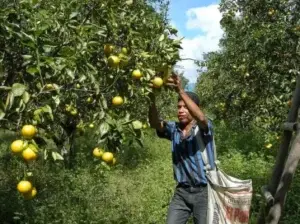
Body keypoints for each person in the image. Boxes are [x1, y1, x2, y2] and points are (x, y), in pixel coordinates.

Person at [148, 74, 215, 224]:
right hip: (182, 193)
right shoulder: (174, 129)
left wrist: (180, 91)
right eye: (179, 107)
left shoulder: (204, 128)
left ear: (194, 109)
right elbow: (154, 123)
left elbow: (202, 118)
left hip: (204, 192)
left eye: (185, 107)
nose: (181, 110)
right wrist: (151, 97)